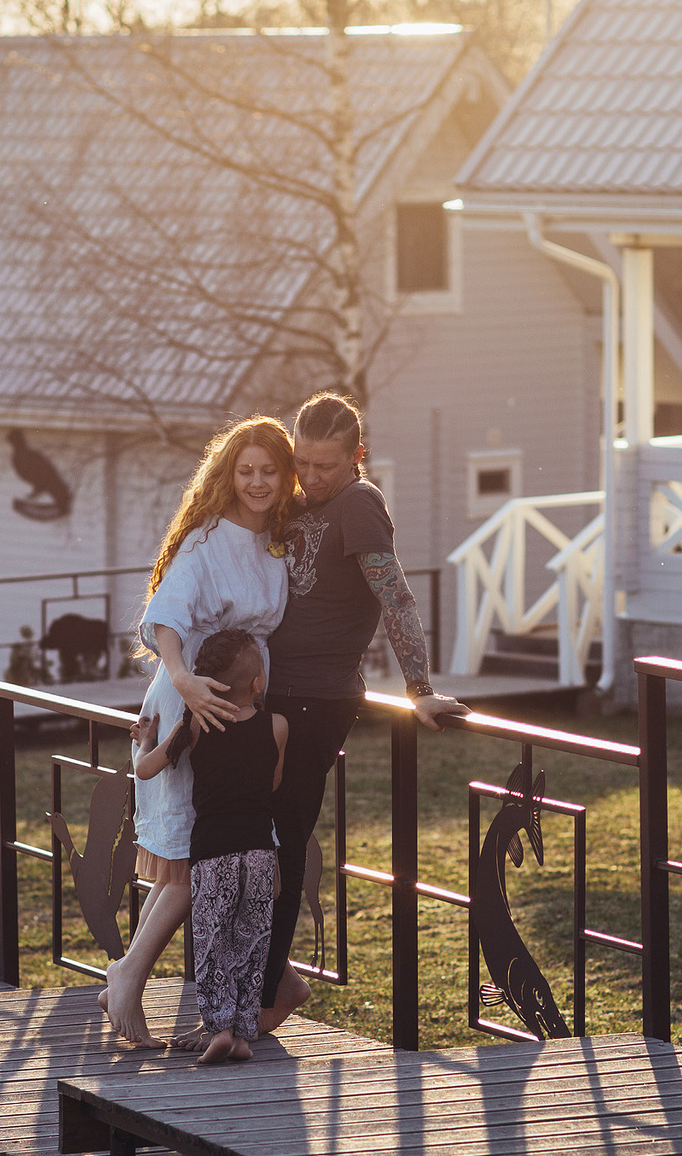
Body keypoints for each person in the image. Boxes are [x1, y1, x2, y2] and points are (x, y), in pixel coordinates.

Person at [257, 392, 468, 1030]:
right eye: (302, 462)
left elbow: (395, 597)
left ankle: (266, 998)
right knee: (250, 839)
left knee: (284, 838)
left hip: (318, 698)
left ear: (357, 457)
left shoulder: (359, 503)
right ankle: (275, 979)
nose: (310, 476)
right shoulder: (298, 500)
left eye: (325, 465)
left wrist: (419, 688)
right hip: (268, 691)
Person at [101, 416, 297, 1047]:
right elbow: (168, 614)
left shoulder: (278, 536)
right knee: (195, 852)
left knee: (200, 852)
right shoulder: (207, 537)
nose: (258, 482)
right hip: (199, 696)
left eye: (269, 471)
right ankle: (129, 977)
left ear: (285, 474)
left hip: (241, 696)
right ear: (227, 475)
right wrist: (183, 678)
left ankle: (265, 978)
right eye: (246, 471)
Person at [132, 628, 286, 1063]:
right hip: (259, 853)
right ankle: (243, 1033)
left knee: (214, 943)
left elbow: (146, 769)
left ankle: (219, 1029)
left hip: (212, 854)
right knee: (253, 943)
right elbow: (273, 784)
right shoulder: (278, 726)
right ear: (258, 682)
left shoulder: (196, 724)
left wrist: (145, 739)